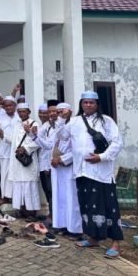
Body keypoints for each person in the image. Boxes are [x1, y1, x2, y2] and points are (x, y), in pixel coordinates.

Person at [65, 91, 124, 259]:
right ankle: (93, 238)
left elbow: (117, 142)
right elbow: (62, 136)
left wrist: (101, 157)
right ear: (81, 104)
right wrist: (62, 119)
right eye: (85, 102)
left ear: (97, 104)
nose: (88, 105)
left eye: (91, 102)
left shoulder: (106, 121)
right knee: (87, 206)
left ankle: (115, 243)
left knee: (108, 207)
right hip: (81, 171)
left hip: (101, 173)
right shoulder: (74, 121)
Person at [50, 102, 82, 239]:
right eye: (58, 112)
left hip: (69, 167)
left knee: (72, 200)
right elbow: (54, 143)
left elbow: (79, 149)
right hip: (58, 169)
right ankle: (63, 225)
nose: (60, 115)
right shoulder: (58, 126)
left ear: (70, 112)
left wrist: (63, 159)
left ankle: (75, 229)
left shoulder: (75, 125)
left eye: (63, 112)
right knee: (61, 199)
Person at [9, 103, 41, 219]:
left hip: (28, 161)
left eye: (24, 111)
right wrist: (0, 134)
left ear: (29, 112)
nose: (21, 114)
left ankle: (31, 212)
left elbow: (38, 142)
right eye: (20, 112)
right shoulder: (17, 124)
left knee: (29, 186)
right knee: (19, 185)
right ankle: (21, 210)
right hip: (17, 161)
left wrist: (25, 148)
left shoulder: (34, 124)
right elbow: (13, 141)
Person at [34, 103, 59, 218]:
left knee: (54, 191)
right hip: (44, 163)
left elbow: (52, 147)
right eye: (50, 112)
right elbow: (44, 144)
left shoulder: (62, 126)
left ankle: (55, 216)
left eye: (55, 111)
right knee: (48, 190)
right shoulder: (46, 126)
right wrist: (33, 135)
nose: (51, 114)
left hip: (55, 164)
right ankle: (52, 215)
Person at [0, 96, 17, 205]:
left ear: (15, 106)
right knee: (4, 175)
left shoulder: (19, 117)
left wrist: (6, 137)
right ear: (3, 107)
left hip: (17, 151)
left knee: (15, 175)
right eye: (6, 106)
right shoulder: (0, 118)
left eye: (10, 105)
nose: (8, 107)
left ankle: (15, 197)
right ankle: (5, 197)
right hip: (4, 151)